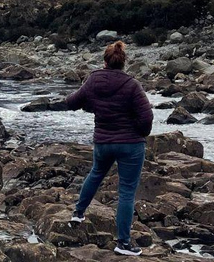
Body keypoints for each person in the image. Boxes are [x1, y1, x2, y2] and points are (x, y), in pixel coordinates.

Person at [65, 41, 153, 257]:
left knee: (95, 173)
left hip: (103, 142)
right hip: (131, 145)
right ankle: (123, 244)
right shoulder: (132, 85)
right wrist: (141, 133)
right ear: (124, 63)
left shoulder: (94, 79)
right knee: (126, 192)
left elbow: (72, 102)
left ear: (105, 61)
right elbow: (146, 117)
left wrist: (92, 106)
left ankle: (78, 213)